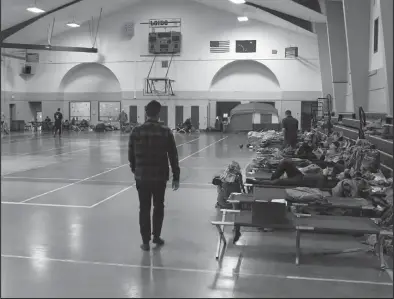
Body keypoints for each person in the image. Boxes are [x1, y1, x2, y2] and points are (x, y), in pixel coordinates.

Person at [128, 100, 180, 251]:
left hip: (142, 177)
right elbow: (173, 155)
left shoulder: (136, 131)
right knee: (159, 206)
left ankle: (145, 242)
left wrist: (135, 170)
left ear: (145, 112)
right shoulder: (165, 131)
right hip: (159, 177)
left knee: (144, 208)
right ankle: (156, 236)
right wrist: (176, 176)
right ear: (159, 113)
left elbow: (131, 155)